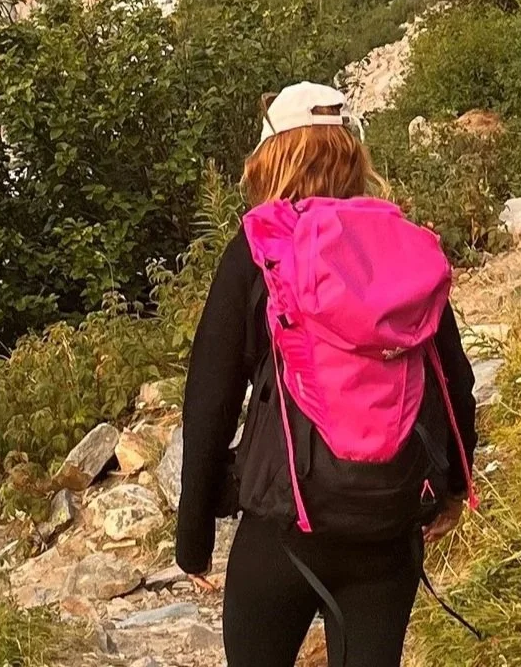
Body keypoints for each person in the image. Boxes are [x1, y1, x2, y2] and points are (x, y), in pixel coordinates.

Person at [176, 82, 478, 667]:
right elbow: (452, 379)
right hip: (387, 527)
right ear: (352, 156)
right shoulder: (399, 246)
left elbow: (210, 400)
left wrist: (194, 539)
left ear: (270, 160)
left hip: (283, 527)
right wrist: (453, 490)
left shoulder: (258, 249)